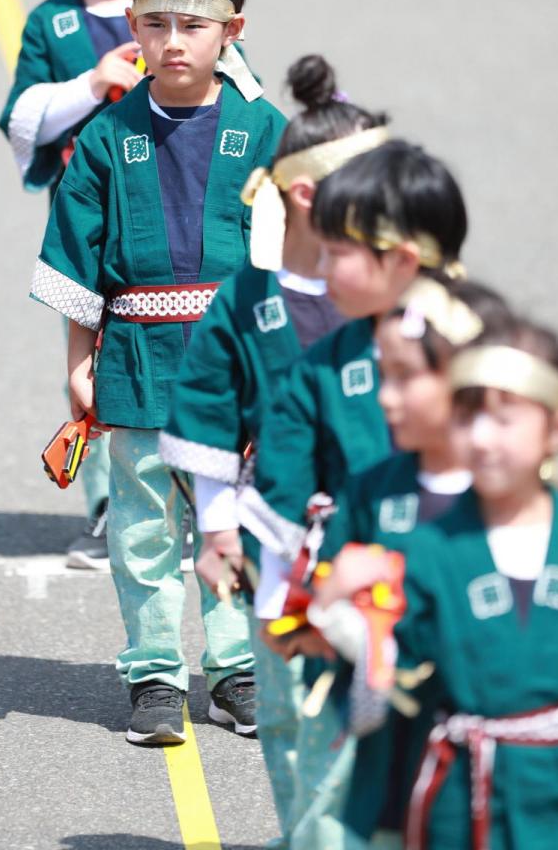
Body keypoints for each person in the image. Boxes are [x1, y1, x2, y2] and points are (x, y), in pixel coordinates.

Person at [29, 0, 287, 745]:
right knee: (143, 527)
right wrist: (79, 364)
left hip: (234, 370)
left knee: (234, 519)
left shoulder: (265, 131)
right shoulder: (107, 136)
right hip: (137, 362)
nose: (172, 42)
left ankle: (235, 669)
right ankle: (152, 674)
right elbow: (75, 256)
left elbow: (293, 262)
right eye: (154, 24)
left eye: (192, 25)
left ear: (231, 30)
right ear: (132, 25)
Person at [158, 54, 388, 847]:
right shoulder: (247, 300)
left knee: (345, 737)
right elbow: (207, 411)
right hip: (276, 550)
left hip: (379, 550)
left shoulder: (393, 299)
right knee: (290, 731)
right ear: (307, 195)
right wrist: (217, 529)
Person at [238, 139, 469, 849]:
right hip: (349, 633)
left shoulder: (483, 358)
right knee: (340, 798)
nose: (322, 262)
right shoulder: (321, 367)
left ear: (399, 259)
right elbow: (280, 496)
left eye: (337, 250)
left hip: (464, 650)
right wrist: (297, 608)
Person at [317, 313, 558, 850]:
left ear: (557, 430)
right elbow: (388, 674)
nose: (482, 439)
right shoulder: (428, 550)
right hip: (458, 804)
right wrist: (335, 610)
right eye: (467, 418)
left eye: (504, 419)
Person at [0, 0, 159, 569]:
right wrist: (91, 85)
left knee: (183, 344)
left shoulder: (176, 0)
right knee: (94, 362)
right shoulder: (53, 22)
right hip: (90, 227)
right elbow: (21, 120)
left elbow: (240, 87)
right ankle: (108, 504)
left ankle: (192, 494)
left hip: (176, 218)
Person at [304, 276, 509, 848]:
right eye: (382, 374)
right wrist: (334, 614)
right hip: (390, 775)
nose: (384, 396)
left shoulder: (518, 504)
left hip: (503, 787)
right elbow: (319, 649)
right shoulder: (370, 492)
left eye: (406, 376)